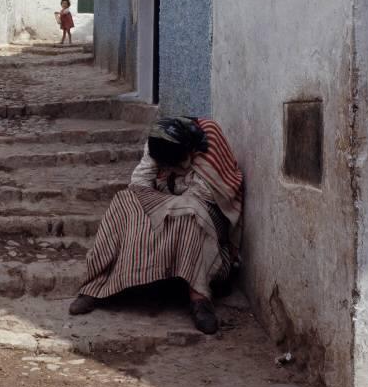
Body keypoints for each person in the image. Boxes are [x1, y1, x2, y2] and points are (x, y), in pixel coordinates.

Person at [68, 116, 243, 334]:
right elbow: (139, 183)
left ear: (187, 152)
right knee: (124, 201)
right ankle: (97, 286)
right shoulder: (157, 143)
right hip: (167, 202)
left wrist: (164, 203)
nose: (167, 168)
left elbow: (205, 194)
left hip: (207, 210)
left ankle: (199, 298)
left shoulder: (209, 139)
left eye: (173, 164)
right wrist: (158, 204)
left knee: (190, 213)